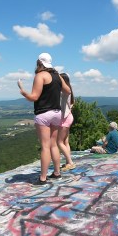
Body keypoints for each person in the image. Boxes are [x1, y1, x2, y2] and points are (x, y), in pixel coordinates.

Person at [18, 53, 71, 185]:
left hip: (43, 113)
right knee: (54, 144)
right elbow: (68, 91)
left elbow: (34, 97)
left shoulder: (40, 76)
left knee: (45, 146)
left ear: (39, 63)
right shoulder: (57, 75)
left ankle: (42, 177)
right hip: (57, 113)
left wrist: (23, 91)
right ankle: (57, 172)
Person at [58, 73, 76, 172]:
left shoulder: (63, 91)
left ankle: (70, 162)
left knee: (59, 142)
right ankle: (67, 162)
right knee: (65, 142)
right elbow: (73, 102)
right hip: (69, 117)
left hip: (64, 118)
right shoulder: (69, 90)